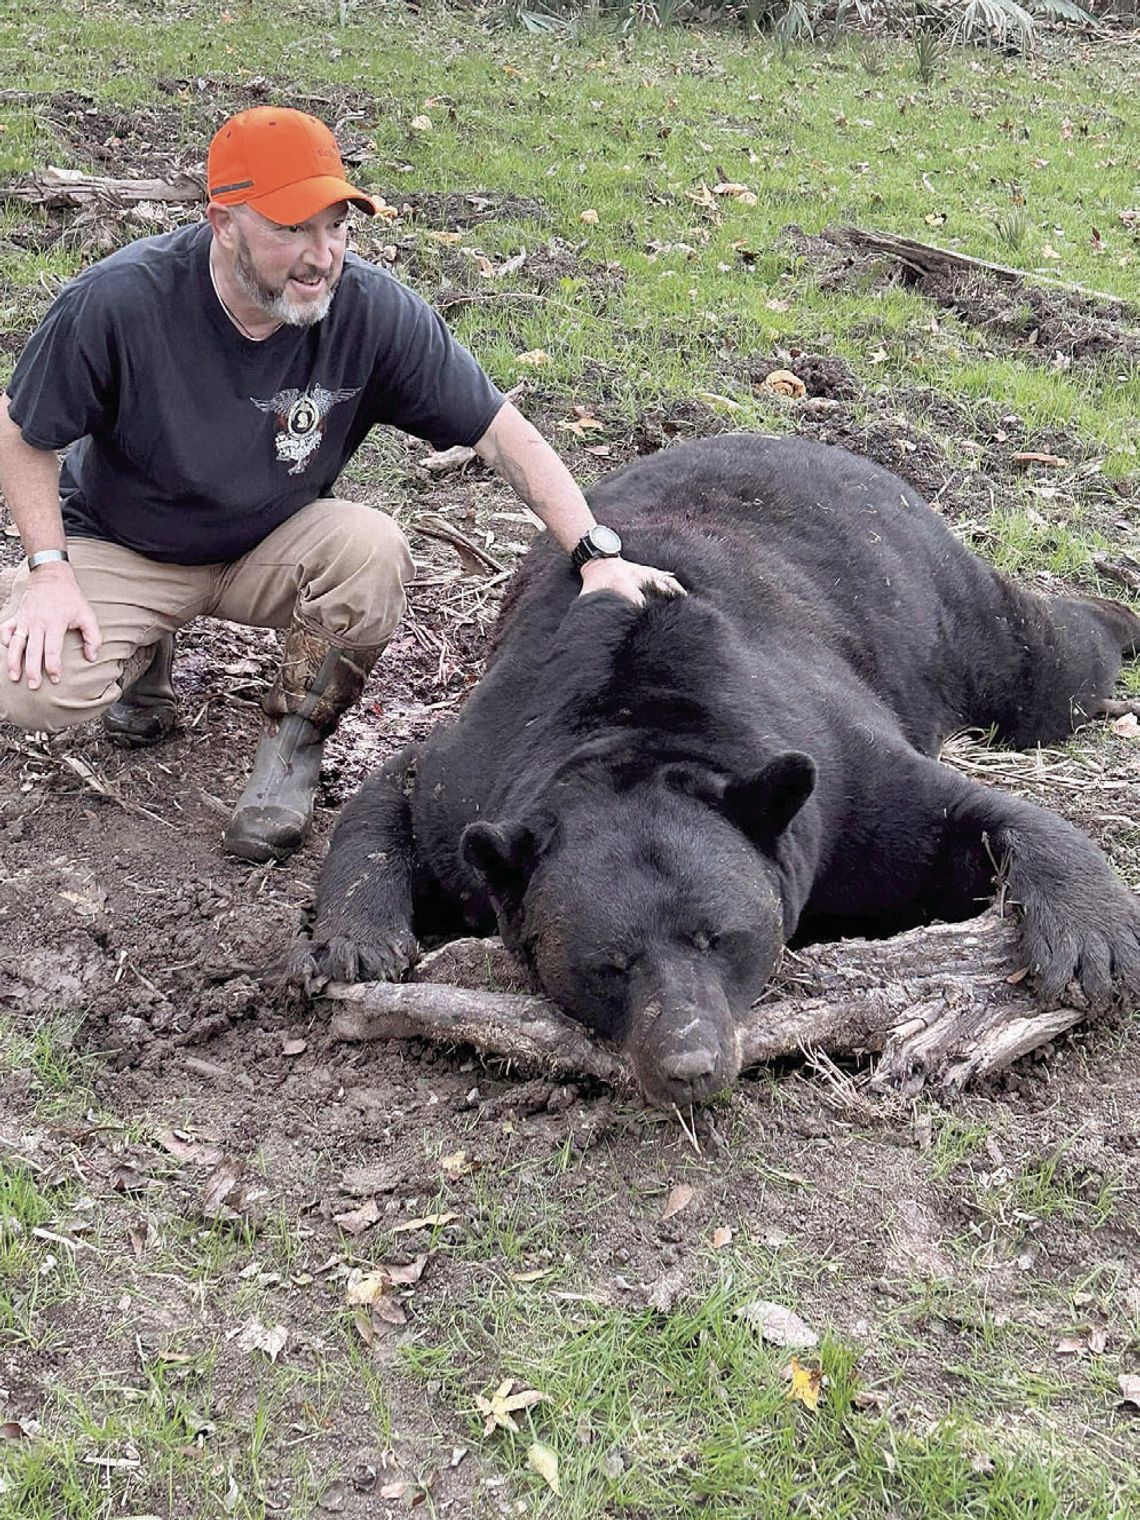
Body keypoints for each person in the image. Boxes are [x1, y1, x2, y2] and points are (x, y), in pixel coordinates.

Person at [0, 106, 681, 864]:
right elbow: (22, 432)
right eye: (292, 229)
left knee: (371, 546)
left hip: (269, 542)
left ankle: (291, 749)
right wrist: (49, 572)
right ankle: (140, 657)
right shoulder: (121, 301)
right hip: (127, 543)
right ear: (223, 222)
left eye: (336, 227)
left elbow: (500, 432)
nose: (321, 255)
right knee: (30, 685)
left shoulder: (369, 310)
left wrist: (596, 555)